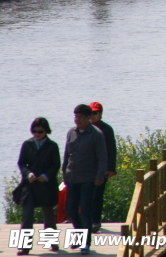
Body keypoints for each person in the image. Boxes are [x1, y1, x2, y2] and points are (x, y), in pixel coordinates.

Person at [62, 104, 107, 255]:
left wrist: (100, 175)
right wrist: (64, 174)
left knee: (86, 211)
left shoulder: (96, 134)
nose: (77, 120)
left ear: (88, 118)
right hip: (72, 178)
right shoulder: (71, 133)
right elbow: (66, 155)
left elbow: (102, 157)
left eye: (81, 117)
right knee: (71, 210)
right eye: (76, 116)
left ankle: (85, 243)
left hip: (89, 179)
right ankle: (79, 234)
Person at [16, 117, 61, 254]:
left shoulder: (52, 146)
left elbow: (56, 165)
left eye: (40, 131)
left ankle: (52, 242)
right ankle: (25, 246)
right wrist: (28, 174)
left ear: (46, 131)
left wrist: (46, 176)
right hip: (30, 184)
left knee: (48, 215)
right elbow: (21, 163)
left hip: (46, 185)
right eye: (34, 131)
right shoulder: (27, 144)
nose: (37, 134)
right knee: (27, 215)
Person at [88, 102, 116, 233]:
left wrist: (111, 168)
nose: (93, 115)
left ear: (100, 114)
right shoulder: (84, 128)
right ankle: (86, 220)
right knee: (86, 195)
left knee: (97, 195)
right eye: (91, 113)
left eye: (95, 113)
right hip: (86, 168)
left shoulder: (107, 129)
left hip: (102, 168)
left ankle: (95, 221)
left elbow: (112, 150)